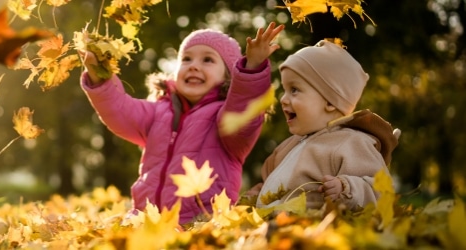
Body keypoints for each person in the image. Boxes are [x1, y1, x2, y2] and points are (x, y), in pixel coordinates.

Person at [79, 22, 284, 224]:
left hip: (199, 223)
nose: (194, 65)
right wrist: (100, 77)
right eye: (186, 59)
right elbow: (120, 110)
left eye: (207, 60)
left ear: (228, 76)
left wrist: (252, 69)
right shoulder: (158, 111)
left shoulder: (225, 117)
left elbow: (243, 110)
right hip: (145, 220)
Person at [244, 40, 401, 210]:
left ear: (330, 102)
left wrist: (346, 188)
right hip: (278, 229)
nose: (283, 99)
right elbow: (273, 184)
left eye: (294, 90)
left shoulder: (352, 143)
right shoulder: (288, 146)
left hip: (314, 230)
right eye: (285, 90)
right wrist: (258, 194)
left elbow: (381, 189)